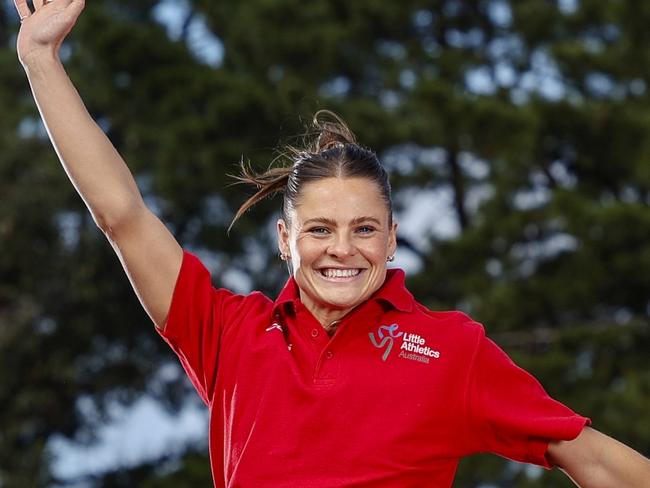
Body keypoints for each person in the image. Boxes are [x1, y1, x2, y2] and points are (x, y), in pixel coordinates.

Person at [13, 1, 650, 487]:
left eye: (364, 229)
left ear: (393, 239)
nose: (342, 250)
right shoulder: (229, 335)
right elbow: (120, 215)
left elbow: (590, 457)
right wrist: (40, 58)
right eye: (320, 229)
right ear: (286, 239)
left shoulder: (453, 351)